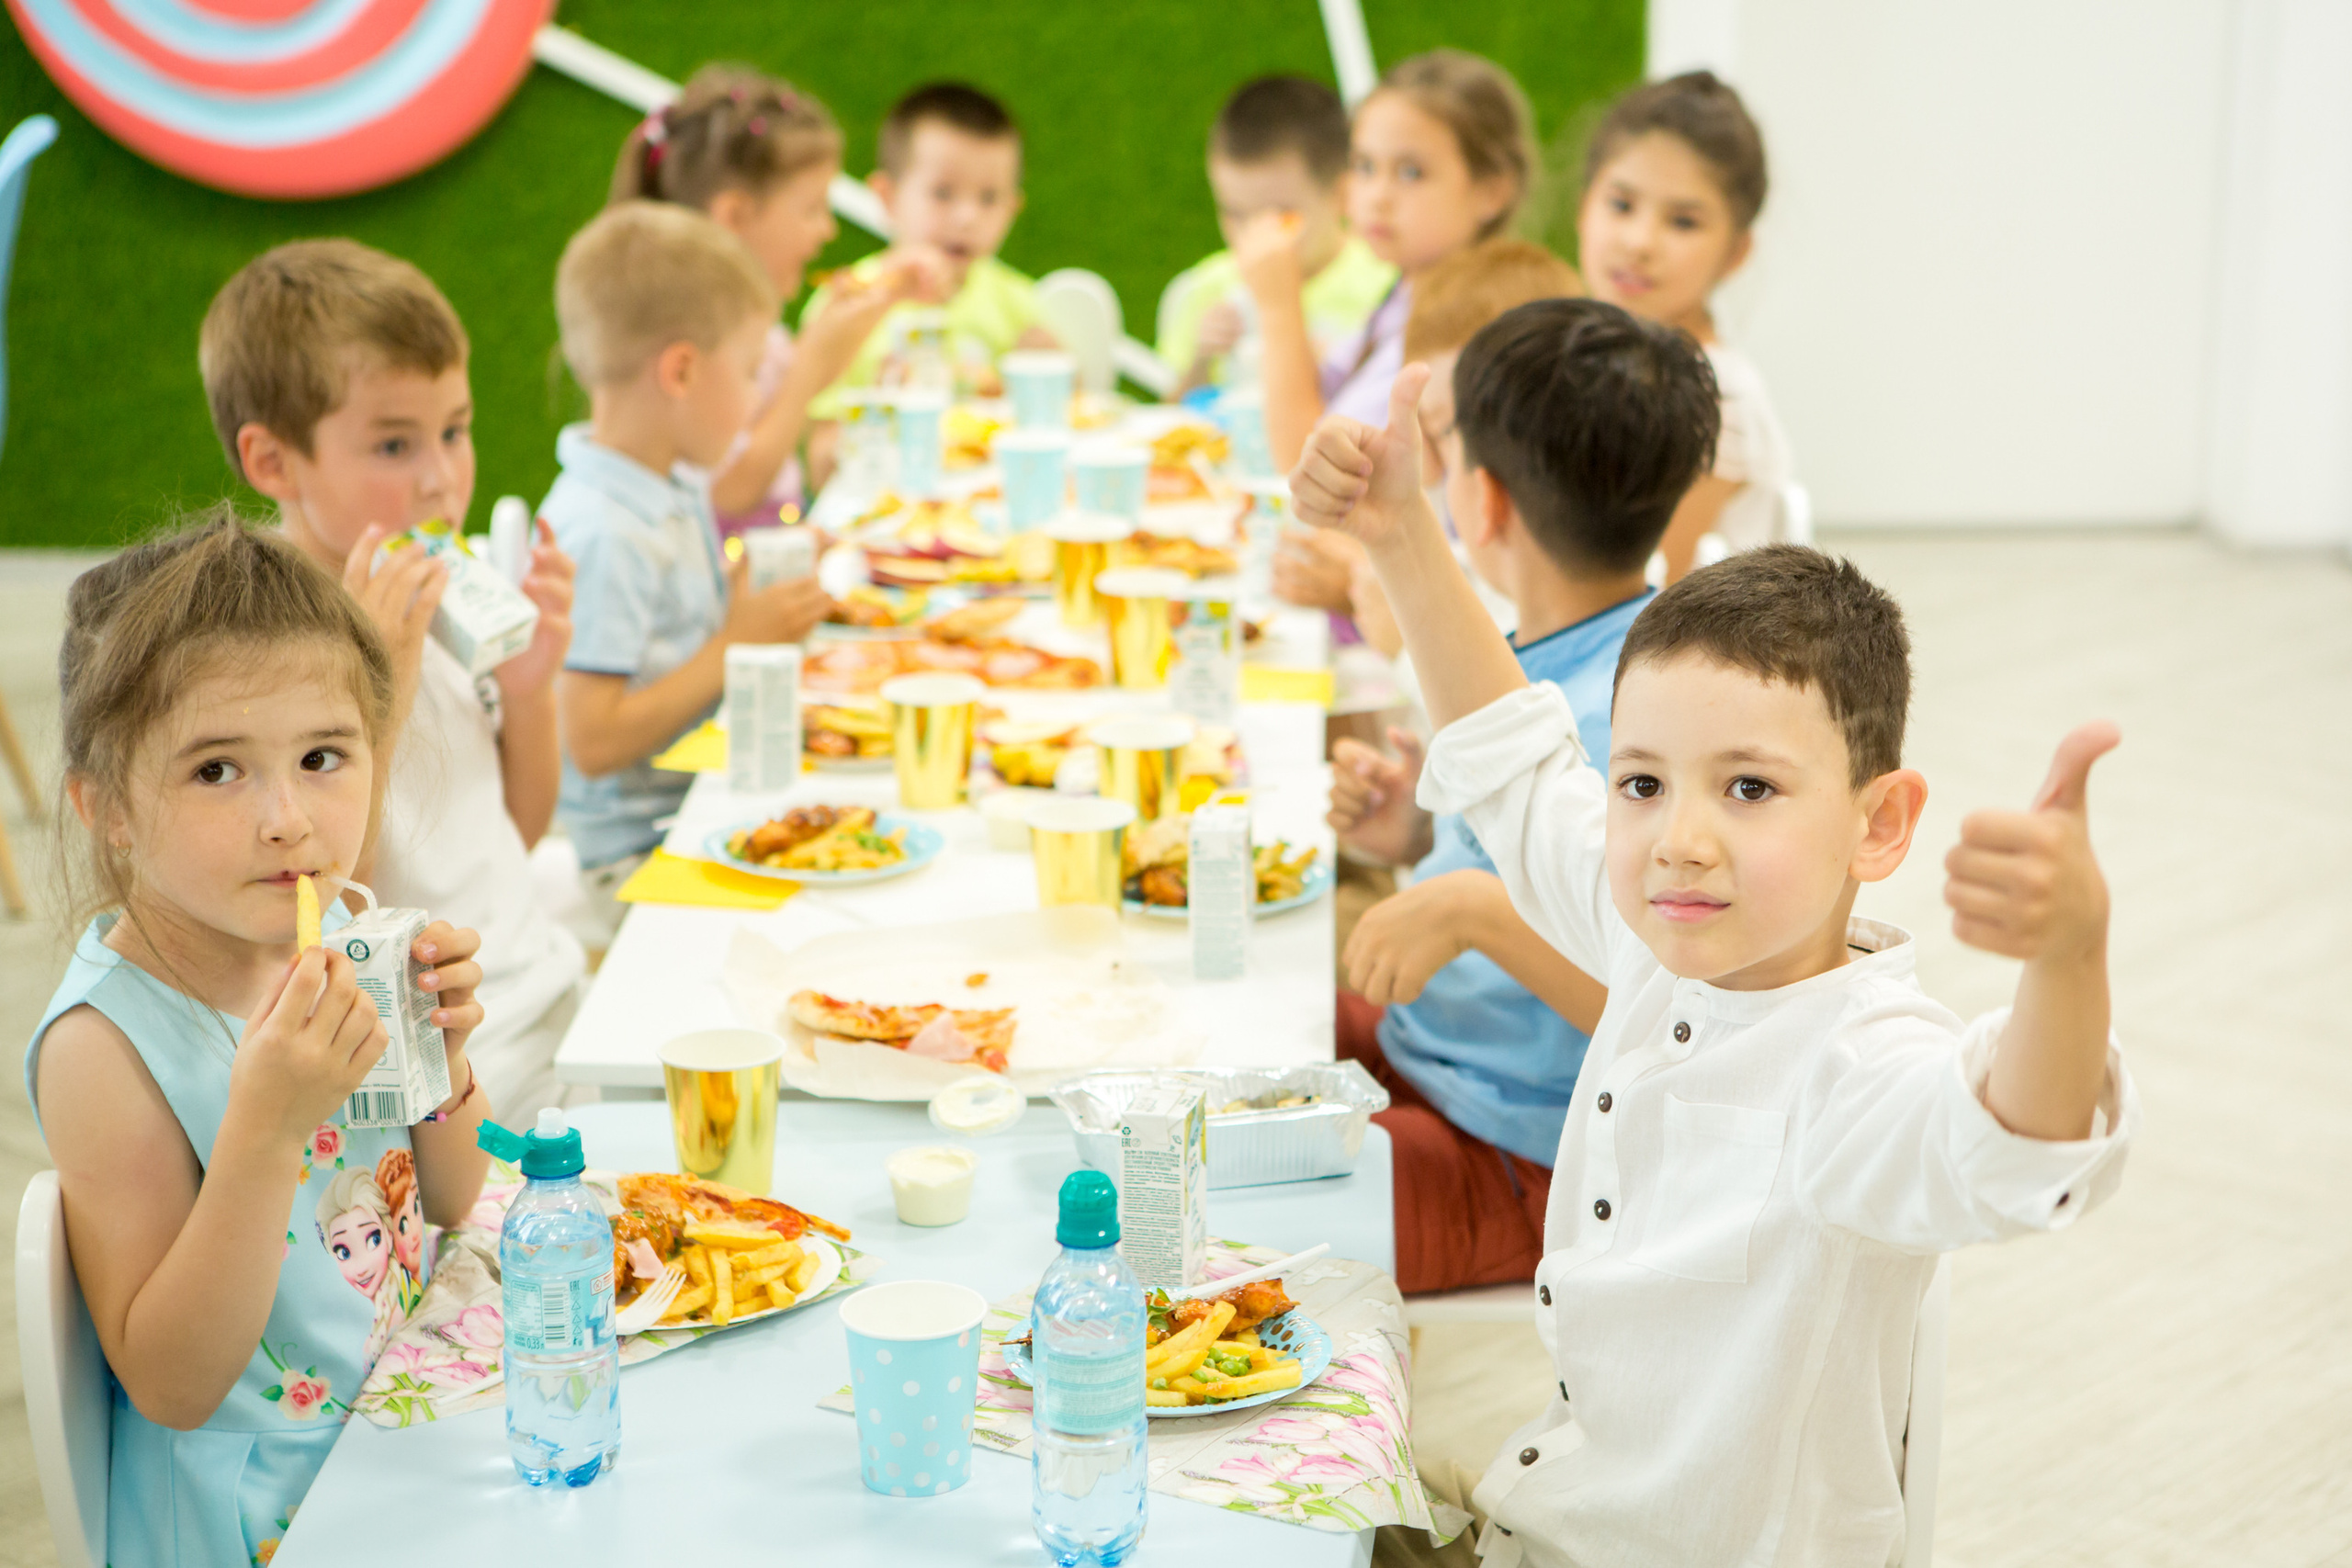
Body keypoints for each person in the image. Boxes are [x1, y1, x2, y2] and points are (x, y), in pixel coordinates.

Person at [1295, 330, 2138, 1563]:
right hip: (1559, 1494)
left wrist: (2069, 951)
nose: (1679, 837)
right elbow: (1521, 763)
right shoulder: (1666, 942)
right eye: (1642, 780)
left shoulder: (1854, 1065)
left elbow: (2021, 1134)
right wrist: (1402, 531)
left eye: (1748, 788)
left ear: (1880, 820)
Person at [28, 515, 492, 1567]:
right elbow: (172, 1384)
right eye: (217, 772)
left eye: (322, 757)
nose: (287, 818)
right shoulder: (105, 1044)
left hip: (408, 1420)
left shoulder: (334, 944)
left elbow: (458, 1204)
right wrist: (265, 1126)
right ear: (107, 809)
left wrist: (445, 1058)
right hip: (267, 1513)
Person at [203, 239, 589, 1119]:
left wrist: (528, 689)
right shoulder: (267, 660)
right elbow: (325, 913)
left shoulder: (442, 599)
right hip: (444, 1076)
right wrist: (379, 684)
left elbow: (511, 830)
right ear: (274, 463)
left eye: (455, 430)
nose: (439, 478)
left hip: (548, 1003)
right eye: (393, 443)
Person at [1329, 292, 1640, 1296]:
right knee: (1210, 1060)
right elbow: (1517, 837)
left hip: (1525, 1155)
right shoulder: (1544, 647)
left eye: (1446, 456)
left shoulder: (1631, 720)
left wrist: (1473, 911)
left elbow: (1662, 1010)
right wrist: (1413, 825)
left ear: (1486, 501)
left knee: (1236, 1223)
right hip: (1435, 1050)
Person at [545, 201, 832, 933]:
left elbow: (678, 636)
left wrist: (752, 596)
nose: (754, 400)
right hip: (640, 855)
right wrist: (735, 642)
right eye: (748, 372)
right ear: (680, 370)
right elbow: (592, 740)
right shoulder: (605, 529)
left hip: (697, 808)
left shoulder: (667, 482)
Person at [611, 63, 944, 536]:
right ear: (735, 216)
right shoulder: (688, 341)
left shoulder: (755, 326)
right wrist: (811, 363)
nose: (827, 229)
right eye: (811, 208)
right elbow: (732, 491)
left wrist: (885, 297)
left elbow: (786, 401)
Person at [1257, 50, 1533, 478]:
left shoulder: (1460, 324)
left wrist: (1278, 309)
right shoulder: (1406, 290)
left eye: (1410, 173)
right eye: (1365, 166)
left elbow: (1309, 473)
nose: (1377, 196)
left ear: (1491, 192)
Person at [1309, 237, 1577, 653]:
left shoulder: (1543, 581)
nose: (1439, 462)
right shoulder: (1466, 519)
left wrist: (1406, 645)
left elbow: (1498, 710)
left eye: (1453, 427)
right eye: (1441, 429)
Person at [1578, 70, 1792, 580]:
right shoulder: (1580, 359)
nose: (1639, 241)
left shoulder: (1721, 397)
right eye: (1621, 204)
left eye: (1682, 222)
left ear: (1735, 251)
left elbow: (1647, 585)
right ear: (1584, 205)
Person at [803, 81, 1054, 408]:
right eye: (942, 193)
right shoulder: (846, 304)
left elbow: (1071, 414)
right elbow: (819, 451)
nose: (967, 217)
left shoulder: (1019, 306)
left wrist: (1050, 376)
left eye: (989, 198)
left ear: (1012, 210)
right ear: (887, 197)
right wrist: (880, 410)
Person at [1157, 74, 1396, 398]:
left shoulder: (1384, 290)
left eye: (1281, 219)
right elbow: (1172, 420)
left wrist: (1333, 371)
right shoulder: (1210, 288)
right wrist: (1202, 360)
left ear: (1342, 194)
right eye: (1234, 214)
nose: (1255, 237)